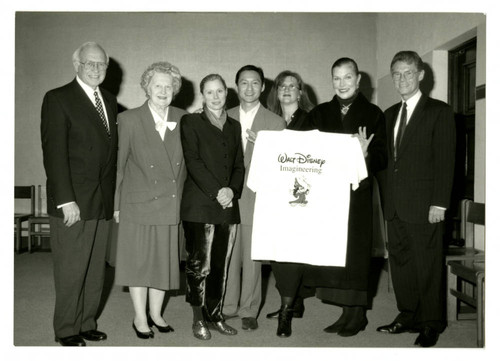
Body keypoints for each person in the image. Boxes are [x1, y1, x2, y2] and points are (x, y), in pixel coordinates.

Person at [303, 57, 387, 337]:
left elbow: (383, 157)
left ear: (358, 79)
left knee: (356, 253)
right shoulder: (320, 112)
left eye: (347, 78)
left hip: (357, 195)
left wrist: (365, 155)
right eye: (336, 78)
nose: (342, 84)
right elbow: (306, 151)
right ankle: (345, 311)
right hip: (327, 196)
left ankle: (358, 314)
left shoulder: (374, 113)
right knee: (334, 253)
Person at [40, 42, 118, 346]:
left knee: (95, 270)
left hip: (101, 201)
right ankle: (67, 329)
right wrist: (65, 200)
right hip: (72, 201)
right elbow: (54, 153)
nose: (96, 69)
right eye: (90, 64)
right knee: (71, 270)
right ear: (77, 65)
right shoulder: (58, 99)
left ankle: (86, 322)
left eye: (101, 64)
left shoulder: (110, 100)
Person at [377, 51, 455, 347]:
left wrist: (439, 203)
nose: (402, 79)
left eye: (408, 72)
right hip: (395, 205)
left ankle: (431, 323)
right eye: (396, 73)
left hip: (426, 206)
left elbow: (445, 162)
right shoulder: (388, 114)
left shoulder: (439, 111)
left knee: (428, 265)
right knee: (401, 265)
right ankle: (408, 315)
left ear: (421, 75)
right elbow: (387, 160)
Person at [113, 62, 187, 339]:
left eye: (169, 86)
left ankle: (156, 313)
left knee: (163, 264)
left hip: (170, 203)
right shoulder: (129, 119)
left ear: (176, 90)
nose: (163, 90)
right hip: (137, 204)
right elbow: (118, 166)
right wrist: (117, 205)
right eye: (158, 85)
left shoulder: (184, 118)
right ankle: (140, 316)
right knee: (139, 264)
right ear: (147, 87)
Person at [180, 74, 245, 340]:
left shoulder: (234, 125)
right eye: (210, 92)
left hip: (227, 204)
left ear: (226, 94)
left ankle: (215, 315)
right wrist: (217, 191)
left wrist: (232, 190)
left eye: (219, 91)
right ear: (202, 95)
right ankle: (198, 319)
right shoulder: (191, 121)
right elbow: (193, 161)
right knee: (200, 266)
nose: (215, 96)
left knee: (221, 265)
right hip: (200, 205)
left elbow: (239, 165)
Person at [223, 65, 286, 331]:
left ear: (263, 87)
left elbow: (283, 164)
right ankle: (226, 307)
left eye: (255, 83)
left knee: (252, 257)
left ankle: (249, 309)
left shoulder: (275, 122)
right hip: (226, 194)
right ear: (236, 87)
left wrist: (265, 146)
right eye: (244, 83)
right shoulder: (221, 116)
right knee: (226, 254)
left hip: (258, 196)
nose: (249, 88)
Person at [264, 70, 316, 337]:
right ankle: (294, 303)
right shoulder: (269, 120)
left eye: (292, 86)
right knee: (276, 251)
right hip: (273, 195)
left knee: (292, 251)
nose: (286, 89)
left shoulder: (310, 119)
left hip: (300, 196)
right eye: (281, 86)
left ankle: (286, 311)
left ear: (300, 91)